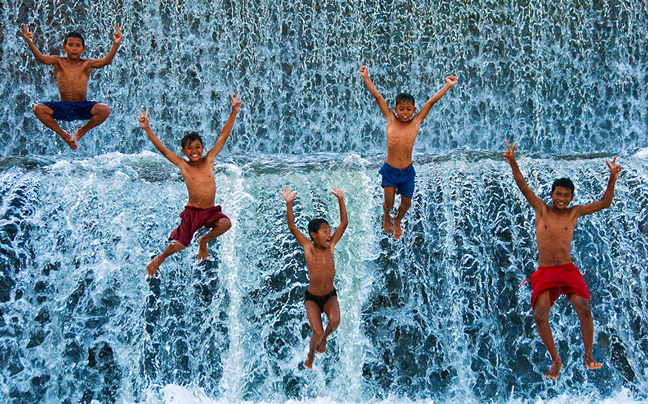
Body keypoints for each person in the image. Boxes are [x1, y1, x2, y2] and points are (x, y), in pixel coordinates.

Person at [503, 140, 621, 380]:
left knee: (584, 308)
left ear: (571, 197)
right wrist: (513, 162)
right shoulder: (541, 210)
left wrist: (612, 178)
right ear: (551, 194)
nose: (562, 199)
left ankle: (588, 355)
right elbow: (523, 187)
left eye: (567, 196)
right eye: (558, 194)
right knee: (539, 314)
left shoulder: (574, 212)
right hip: (545, 272)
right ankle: (555, 359)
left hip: (567, 270)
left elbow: (605, 203)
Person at [137, 93, 241, 277]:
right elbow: (162, 149)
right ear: (184, 151)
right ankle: (159, 259)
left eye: (197, 147)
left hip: (210, 211)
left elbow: (223, 136)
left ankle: (204, 240)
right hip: (193, 212)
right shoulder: (183, 165)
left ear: (203, 147)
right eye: (190, 148)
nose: (194, 151)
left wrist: (233, 112)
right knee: (181, 244)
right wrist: (147, 128)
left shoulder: (209, 159)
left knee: (226, 223)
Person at [359, 65, 457, 239]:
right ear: (395, 109)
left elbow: (431, 102)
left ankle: (398, 220)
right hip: (390, 170)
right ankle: (387, 216)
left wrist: (447, 86)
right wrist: (366, 77)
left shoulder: (416, 122)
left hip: (407, 171)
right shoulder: (390, 119)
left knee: (407, 204)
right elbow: (377, 96)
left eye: (409, 109)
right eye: (401, 109)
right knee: (388, 202)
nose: (405, 113)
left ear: (414, 110)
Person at [21, 24, 122, 149]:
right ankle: (63, 134)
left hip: (82, 106)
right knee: (38, 108)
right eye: (70, 45)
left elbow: (106, 60)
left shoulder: (87, 64)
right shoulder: (58, 61)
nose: (74, 49)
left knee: (104, 109)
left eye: (78, 46)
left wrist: (116, 44)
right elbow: (41, 58)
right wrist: (30, 42)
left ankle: (82, 131)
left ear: (83, 49)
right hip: (64, 106)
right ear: (64, 47)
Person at [280, 185, 348, 369]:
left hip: (330, 295)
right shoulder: (308, 248)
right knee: (316, 331)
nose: (328, 233)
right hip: (312, 298)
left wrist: (341, 199)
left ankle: (324, 339)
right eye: (324, 231)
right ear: (313, 236)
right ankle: (311, 354)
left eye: (328, 230)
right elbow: (292, 226)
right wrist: (289, 203)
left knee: (335, 321)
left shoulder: (331, 245)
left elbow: (343, 224)